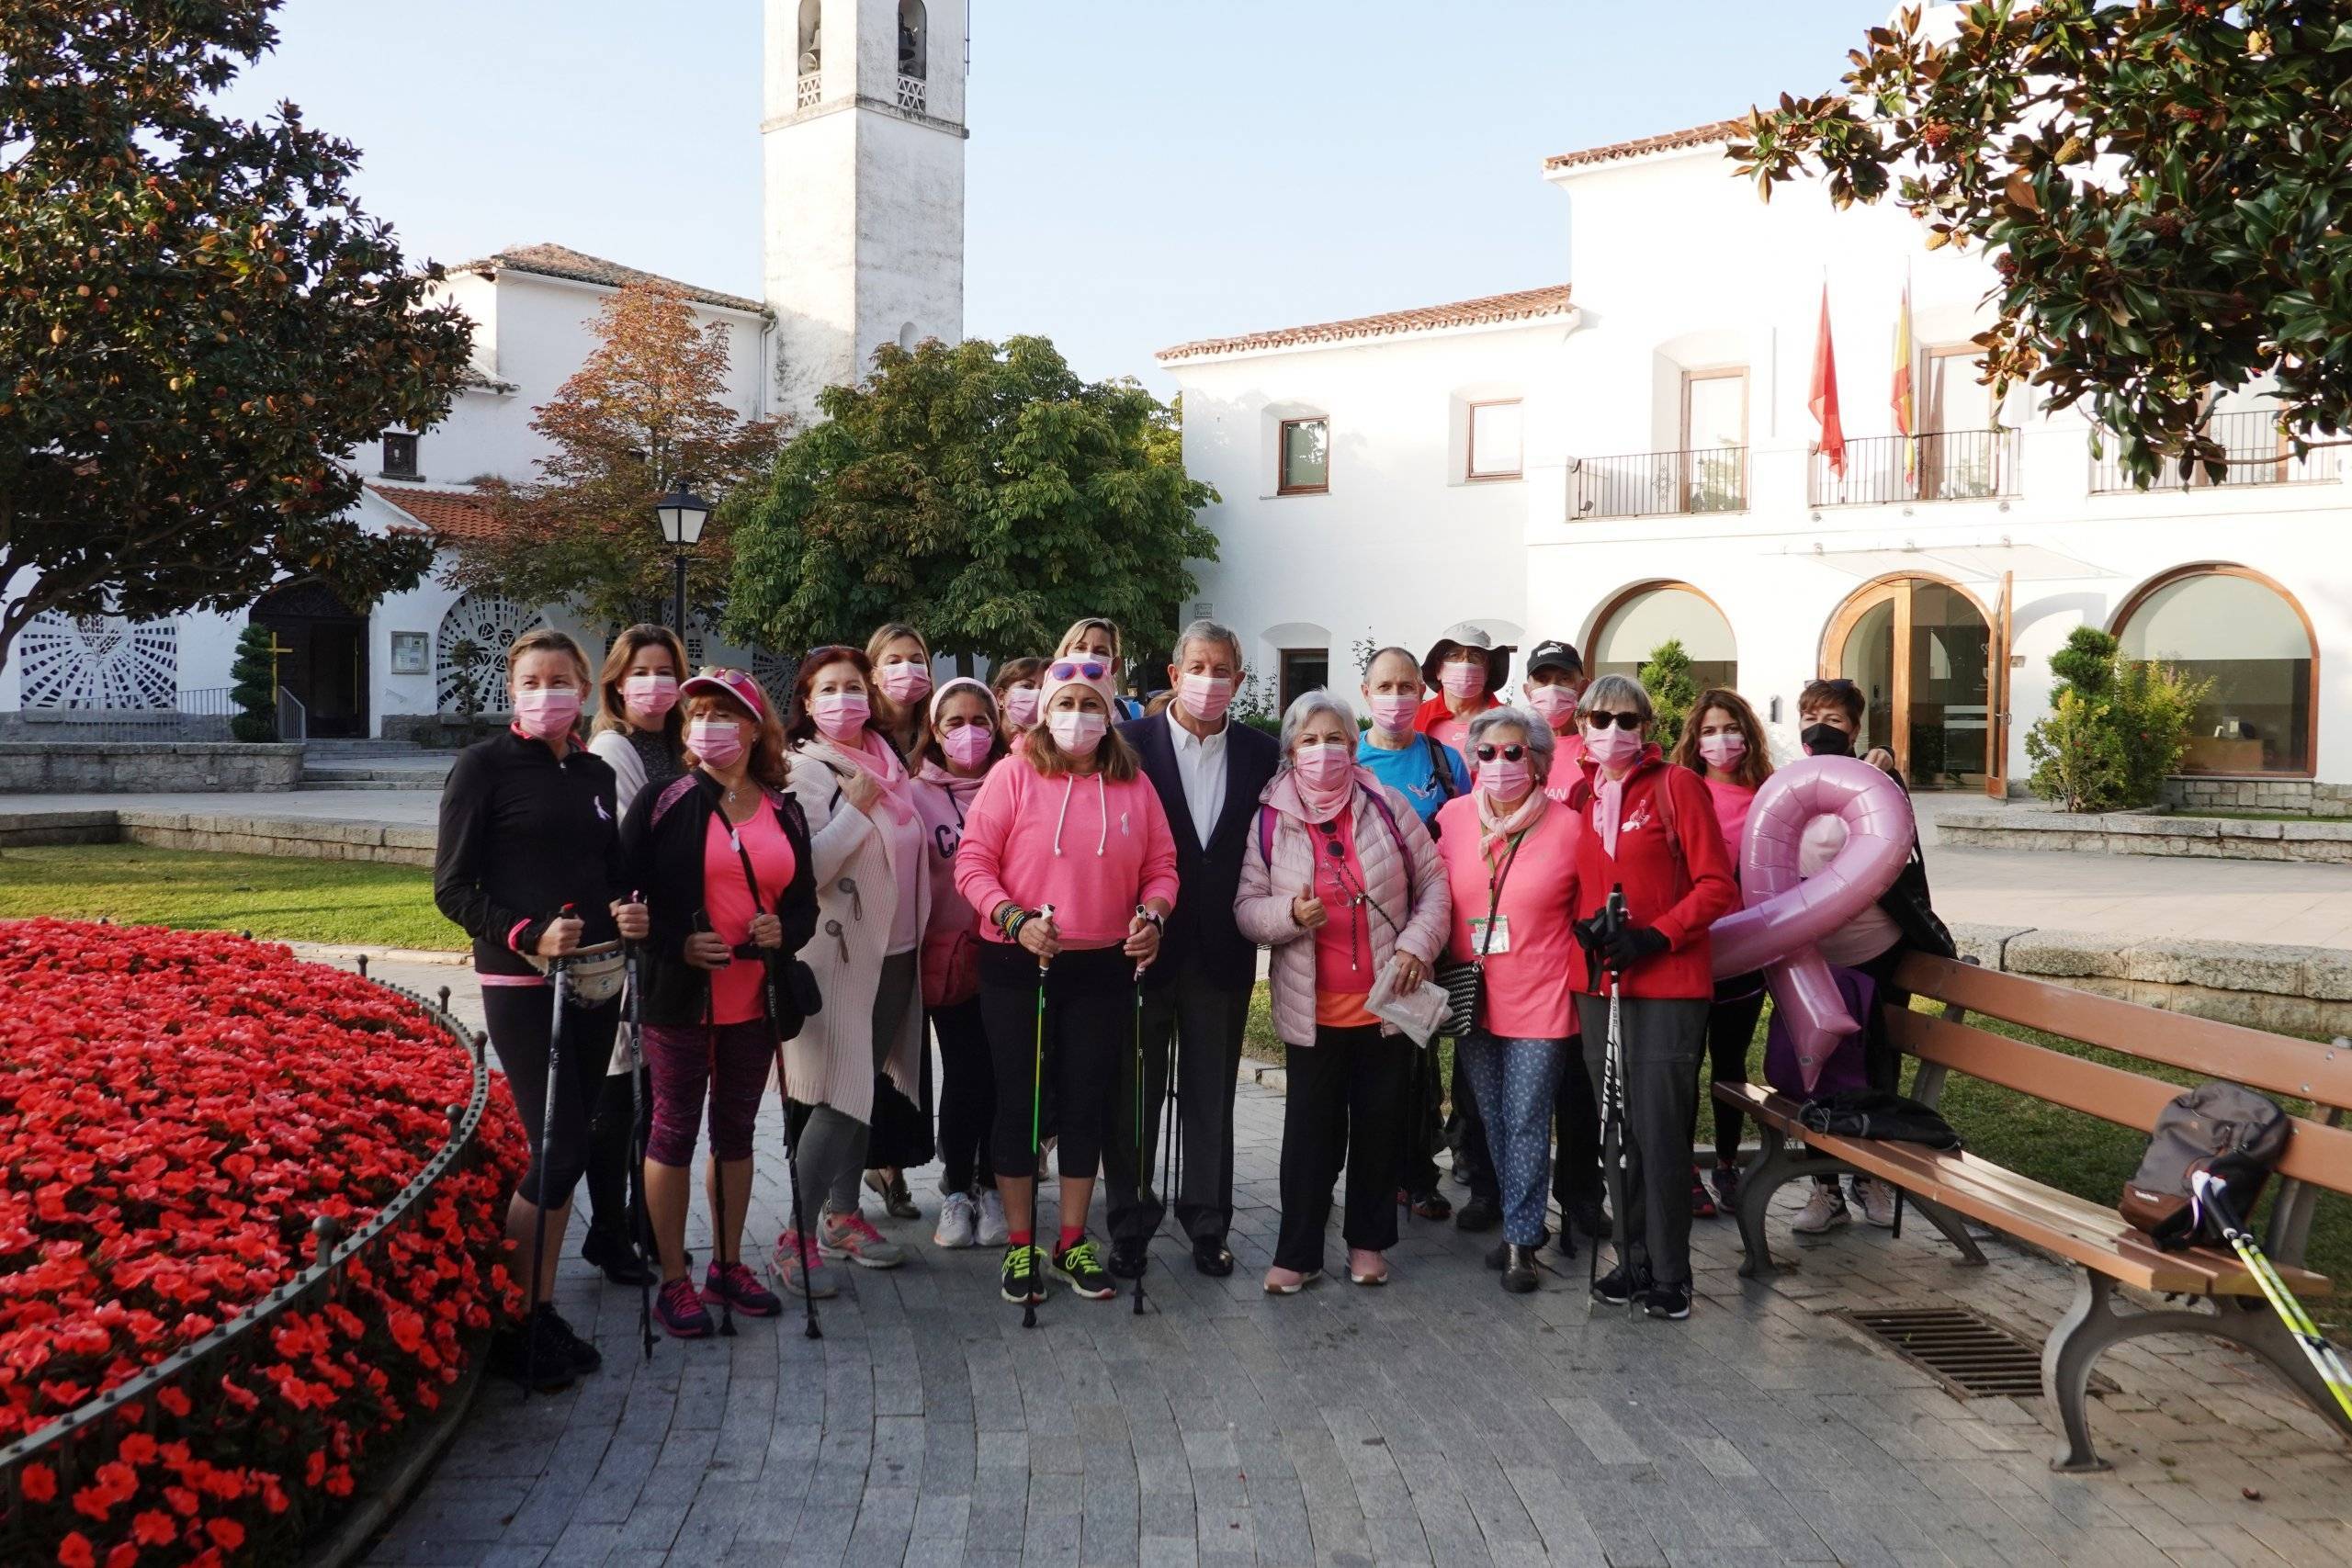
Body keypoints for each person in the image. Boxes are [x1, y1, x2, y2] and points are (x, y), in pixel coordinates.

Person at [435, 627, 650, 1387]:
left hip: (595, 978)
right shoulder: (482, 767)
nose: (547, 691)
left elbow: (613, 869)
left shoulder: (593, 773)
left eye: (562, 679)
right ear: (511, 688)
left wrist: (629, 909)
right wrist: (527, 932)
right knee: (554, 1149)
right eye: (533, 679)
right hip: (525, 981)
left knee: (575, 1145)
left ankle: (542, 1300)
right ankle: (508, 1314)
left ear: (585, 690)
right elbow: (453, 888)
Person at [955, 657, 1177, 1306]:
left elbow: (1163, 865)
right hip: (1020, 959)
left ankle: (1072, 1238)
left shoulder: (1134, 782)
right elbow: (973, 862)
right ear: (1046, 711)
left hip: (1104, 963)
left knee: (1087, 1103)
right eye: (1065, 703)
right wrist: (1012, 917)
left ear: (1109, 712)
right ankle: (1020, 1243)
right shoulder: (1014, 773)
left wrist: (1153, 915)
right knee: (1021, 1106)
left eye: (1090, 703)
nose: (1078, 716)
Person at [620, 669, 816, 1337]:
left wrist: (782, 932)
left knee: (736, 1131)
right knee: (674, 1129)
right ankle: (673, 1276)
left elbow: (804, 904)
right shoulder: (663, 799)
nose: (709, 725)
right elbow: (627, 895)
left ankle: (727, 1263)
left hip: (753, 998)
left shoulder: (784, 808)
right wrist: (678, 942)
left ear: (755, 727)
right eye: (698, 712)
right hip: (679, 998)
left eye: (725, 714)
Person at [1236, 690, 1450, 1292]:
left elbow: (1434, 883)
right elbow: (1247, 909)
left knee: (1380, 1128)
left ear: (1353, 747)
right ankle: (1298, 1251)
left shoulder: (1387, 803)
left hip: (1387, 1004)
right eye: (1310, 740)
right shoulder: (1270, 817)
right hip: (1311, 1010)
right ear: (1290, 751)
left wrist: (1415, 947)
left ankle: (1368, 1242)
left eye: (1335, 739)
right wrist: (1288, 914)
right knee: (1309, 1136)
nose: (1324, 750)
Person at [1103, 618, 1281, 1279]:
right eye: (1198, 667)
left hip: (1223, 951)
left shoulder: (1264, 754)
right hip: (1144, 946)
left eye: (1224, 670)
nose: (1211, 680)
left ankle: (1208, 1222)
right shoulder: (1128, 744)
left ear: (1237, 679)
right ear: (1175, 675)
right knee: (1135, 1097)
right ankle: (1129, 1223)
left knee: (1212, 1096)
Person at [1566, 674, 1738, 1322]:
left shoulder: (1676, 785)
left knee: (1659, 1127)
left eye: (1628, 719)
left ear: (1648, 728)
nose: (1615, 730)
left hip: (1665, 984)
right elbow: (1581, 885)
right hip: (1598, 983)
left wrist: (1655, 935)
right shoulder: (1583, 796)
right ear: (1581, 726)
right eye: (1602, 719)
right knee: (1616, 1126)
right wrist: (1589, 928)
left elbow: (1716, 886)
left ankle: (1671, 1271)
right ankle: (1629, 1258)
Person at [775, 647, 929, 1292]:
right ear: (807, 703)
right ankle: (794, 1235)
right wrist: (856, 809)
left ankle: (841, 1216)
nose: (845, 699)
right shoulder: (801, 768)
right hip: (837, 952)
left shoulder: (886, 757)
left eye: (854, 687)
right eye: (828, 689)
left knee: (862, 1089)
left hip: (892, 950)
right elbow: (804, 866)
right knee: (838, 1092)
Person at [1783, 676, 1941, 1235]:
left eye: (1835, 719)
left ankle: (1872, 1176)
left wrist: (1886, 770)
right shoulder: (1788, 784)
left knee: (1874, 1064)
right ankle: (1824, 1188)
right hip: (1809, 957)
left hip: (1874, 951)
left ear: (1855, 729)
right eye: (1811, 716)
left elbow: (1898, 851)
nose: (1820, 727)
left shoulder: (1875, 781)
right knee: (1817, 1067)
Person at [1433, 706, 1583, 1293]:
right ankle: (1519, 1222)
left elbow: (1590, 908)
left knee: (1524, 1119)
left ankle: (1523, 1241)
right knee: (1491, 1117)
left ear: (1539, 761)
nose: (1500, 765)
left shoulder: (1570, 827)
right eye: (1488, 754)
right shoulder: (1451, 819)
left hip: (1542, 999)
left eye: (1514, 752)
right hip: (1473, 996)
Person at [576, 624, 688, 1291]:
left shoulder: (676, 742)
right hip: (629, 935)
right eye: (641, 671)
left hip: (669, 936)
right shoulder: (614, 747)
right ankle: (609, 1229)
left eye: (666, 670)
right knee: (620, 1093)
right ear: (618, 681)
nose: (655, 683)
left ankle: (647, 1220)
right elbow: (632, 843)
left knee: (655, 1093)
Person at [1354, 645, 1469, 1224]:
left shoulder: (1447, 763)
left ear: (1422, 694)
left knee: (1418, 1057)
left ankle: (1417, 1175)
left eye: (1407, 687)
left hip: (1429, 929)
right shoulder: (1344, 757)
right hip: (1356, 934)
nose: (1396, 698)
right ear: (1365, 693)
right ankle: (1355, 1175)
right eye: (1385, 687)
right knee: (1359, 1058)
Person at [1668, 687, 1774, 1219]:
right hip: (1689, 952)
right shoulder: (1682, 791)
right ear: (1695, 739)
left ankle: (1728, 1164)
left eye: (1729, 728)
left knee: (1730, 1066)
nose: (1721, 740)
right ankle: (1683, 1169)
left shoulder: (1770, 796)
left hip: (1745, 955)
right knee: (1683, 1064)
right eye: (1709, 731)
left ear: (1747, 735)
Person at [911, 676, 1010, 1250]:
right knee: (966, 1074)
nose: (968, 734)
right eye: (955, 723)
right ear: (934, 730)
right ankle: (956, 1189)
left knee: (1002, 1075)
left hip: (1008, 953)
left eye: (980, 722)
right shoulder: (916, 792)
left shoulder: (1014, 780)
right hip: (948, 957)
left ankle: (993, 1185)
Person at [1522, 638, 1607, 1248]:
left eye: (1565, 680)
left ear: (1582, 686)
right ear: (1527, 689)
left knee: (1579, 1084)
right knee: (1504, 1086)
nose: (1554, 689)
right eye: (1543, 679)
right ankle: (1492, 1191)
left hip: (1579, 946)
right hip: (1519, 945)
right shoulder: (1513, 746)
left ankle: (1581, 1196)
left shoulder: (1596, 749)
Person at [1414, 625, 1510, 758]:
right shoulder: (1415, 718)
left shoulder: (1510, 721)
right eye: (1454, 655)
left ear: (1487, 671)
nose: (1465, 663)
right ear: (1438, 670)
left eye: (1476, 656)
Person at [866, 622, 935, 761]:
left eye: (916, 661)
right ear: (873, 674)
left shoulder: (937, 731)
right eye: (894, 662)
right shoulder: (862, 733)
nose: (907, 669)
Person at [1057, 616, 1147, 722]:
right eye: (1080, 648)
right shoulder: (1048, 711)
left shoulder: (1135, 714)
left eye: (1101, 652)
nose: (1089, 657)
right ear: (1064, 655)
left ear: (1114, 665)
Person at [990, 656, 1046, 739]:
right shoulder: (983, 742)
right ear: (1001, 696)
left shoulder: (1055, 748)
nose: (1037, 694)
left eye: (1044, 689)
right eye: (1027, 686)